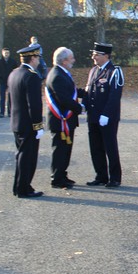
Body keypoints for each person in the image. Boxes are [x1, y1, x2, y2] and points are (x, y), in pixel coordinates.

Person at [81, 42, 125, 188]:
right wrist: (83, 105)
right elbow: (88, 91)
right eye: (93, 54)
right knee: (95, 147)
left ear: (106, 56)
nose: (93, 57)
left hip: (107, 118)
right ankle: (101, 176)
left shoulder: (114, 71)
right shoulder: (93, 70)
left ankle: (115, 178)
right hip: (93, 116)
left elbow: (114, 95)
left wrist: (106, 114)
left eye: (96, 54)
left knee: (110, 147)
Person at [8, 44, 45, 198]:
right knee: (27, 157)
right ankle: (23, 188)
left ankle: (19, 187)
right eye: (37, 57)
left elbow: (10, 101)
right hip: (28, 124)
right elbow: (34, 105)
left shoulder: (14, 73)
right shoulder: (32, 76)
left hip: (17, 122)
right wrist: (38, 126)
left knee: (21, 156)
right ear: (33, 58)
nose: (38, 61)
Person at [45, 47, 83, 189]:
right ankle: (57, 178)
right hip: (61, 120)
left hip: (66, 120)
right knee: (60, 150)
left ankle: (62, 174)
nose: (74, 60)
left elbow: (71, 91)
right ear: (64, 61)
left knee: (66, 149)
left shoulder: (62, 73)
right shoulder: (57, 75)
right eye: (71, 58)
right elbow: (64, 99)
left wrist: (87, 93)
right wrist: (81, 108)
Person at [0, 47, 18, 118]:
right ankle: (1, 113)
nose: (6, 54)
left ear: (9, 53)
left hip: (10, 82)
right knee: (2, 98)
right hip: (2, 82)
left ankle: (10, 113)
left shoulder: (13, 61)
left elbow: (16, 71)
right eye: (5, 53)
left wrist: (13, 79)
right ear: (2, 53)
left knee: (10, 98)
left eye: (8, 53)